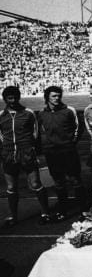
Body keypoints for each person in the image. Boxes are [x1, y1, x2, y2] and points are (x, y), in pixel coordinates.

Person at [0, 86, 50, 226]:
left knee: (35, 183)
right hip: (8, 155)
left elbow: (36, 134)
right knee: (11, 187)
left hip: (26, 153)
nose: (13, 101)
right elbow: (1, 136)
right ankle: (13, 216)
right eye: (10, 98)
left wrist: (36, 152)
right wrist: (5, 151)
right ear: (5, 99)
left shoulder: (28, 113)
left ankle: (45, 213)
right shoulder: (1, 115)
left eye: (15, 97)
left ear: (19, 97)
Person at [37, 86, 86, 220]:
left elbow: (78, 128)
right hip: (51, 153)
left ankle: (83, 210)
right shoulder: (41, 113)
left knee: (75, 179)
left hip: (68, 151)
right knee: (58, 182)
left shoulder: (69, 111)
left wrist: (70, 143)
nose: (57, 98)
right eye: (54, 96)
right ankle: (63, 211)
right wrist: (46, 146)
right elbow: (41, 131)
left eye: (59, 95)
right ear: (47, 97)